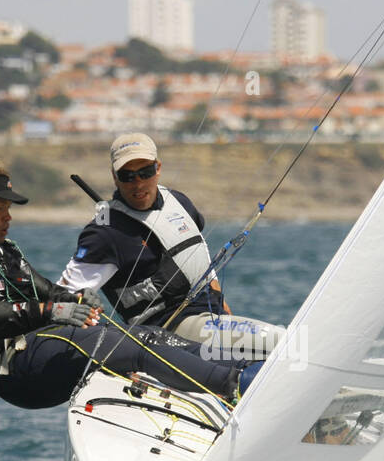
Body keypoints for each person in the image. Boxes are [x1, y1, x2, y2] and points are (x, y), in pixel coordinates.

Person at [0, 160, 259, 409]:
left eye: (9, 208)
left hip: (39, 348)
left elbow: (46, 291)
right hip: (11, 370)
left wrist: (77, 299)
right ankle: (235, 387)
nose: (8, 216)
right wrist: (53, 310)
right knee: (128, 349)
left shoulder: (1, 251)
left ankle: (242, 369)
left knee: (143, 336)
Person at [58, 133, 283, 359]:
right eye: (127, 176)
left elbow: (198, 253)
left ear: (158, 168)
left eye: (145, 172)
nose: (138, 184)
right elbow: (64, 294)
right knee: (285, 343)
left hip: (211, 318)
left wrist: (220, 300)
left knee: (282, 345)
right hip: (169, 333)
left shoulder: (178, 201)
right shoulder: (104, 233)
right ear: (114, 177)